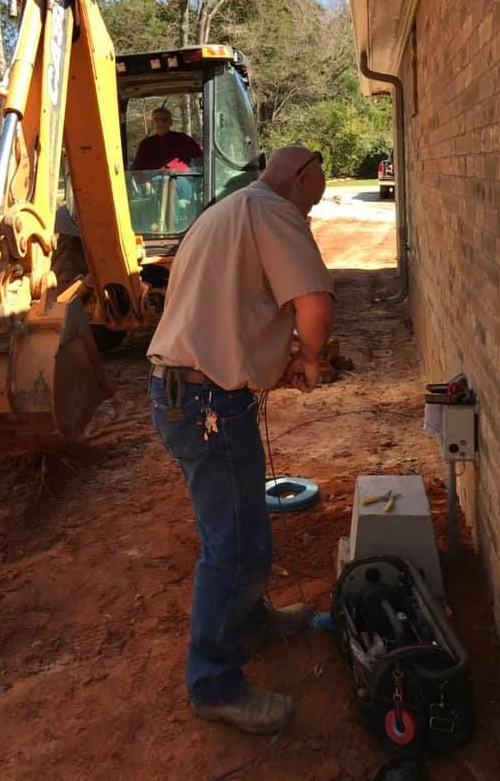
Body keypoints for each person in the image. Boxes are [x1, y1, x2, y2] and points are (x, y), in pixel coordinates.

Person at [147, 145, 334, 734]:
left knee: (238, 523)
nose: (312, 204)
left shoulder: (224, 210)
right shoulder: (274, 209)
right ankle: (213, 684)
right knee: (233, 549)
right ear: (301, 177)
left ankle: (249, 620)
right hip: (206, 402)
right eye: (317, 191)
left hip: (183, 394)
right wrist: (310, 359)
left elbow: (228, 307)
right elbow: (314, 303)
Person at [131, 107, 202, 171]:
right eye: (156, 120)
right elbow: (137, 169)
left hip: (180, 180)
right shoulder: (146, 144)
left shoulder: (184, 140)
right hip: (153, 182)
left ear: (171, 122)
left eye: (164, 120)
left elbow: (200, 159)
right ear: (152, 123)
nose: (160, 123)